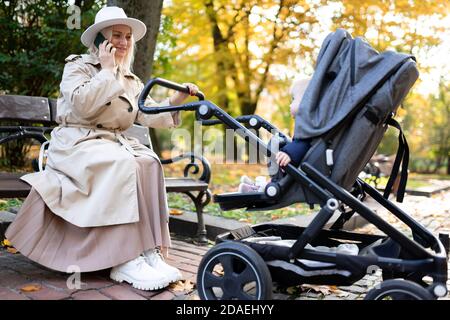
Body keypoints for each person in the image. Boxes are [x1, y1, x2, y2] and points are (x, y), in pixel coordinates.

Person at [5, 6, 199, 291]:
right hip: (76, 143)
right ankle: (125, 258)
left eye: (127, 36)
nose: (123, 42)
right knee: (121, 164)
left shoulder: (131, 80)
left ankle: (148, 250)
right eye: (116, 35)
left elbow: (146, 113)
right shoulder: (78, 67)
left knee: (148, 162)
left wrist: (177, 99)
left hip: (112, 143)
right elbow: (82, 104)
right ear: (100, 41)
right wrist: (107, 71)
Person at [238, 78, 311, 192]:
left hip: (298, 167)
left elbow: (304, 142)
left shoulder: (309, 124)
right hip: (298, 167)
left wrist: (289, 153)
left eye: (293, 99)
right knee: (277, 143)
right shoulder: (310, 123)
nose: (290, 105)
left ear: (307, 100)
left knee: (278, 157)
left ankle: (260, 188)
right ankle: (258, 186)